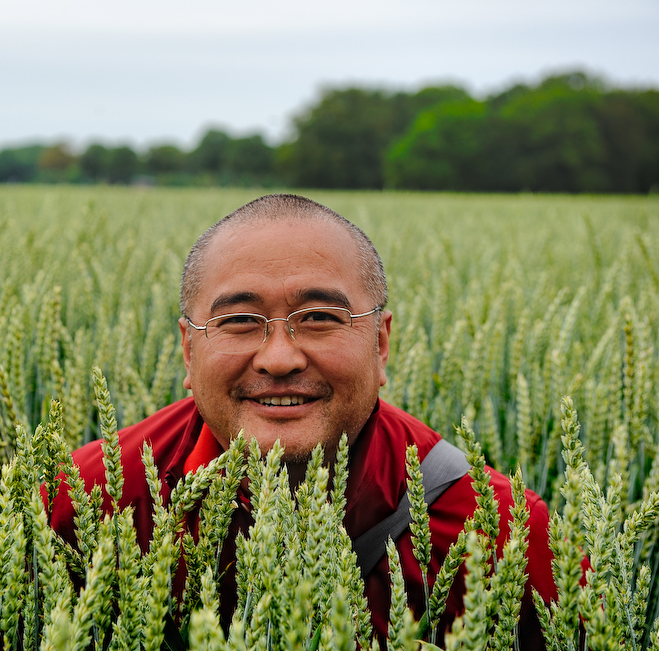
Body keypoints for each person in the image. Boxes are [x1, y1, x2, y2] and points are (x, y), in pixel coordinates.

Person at [48, 194, 557, 647]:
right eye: (240, 321)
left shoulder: (505, 534)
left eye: (318, 317)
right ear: (187, 351)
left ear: (380, 345)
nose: (279, 358)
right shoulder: (82, 503)